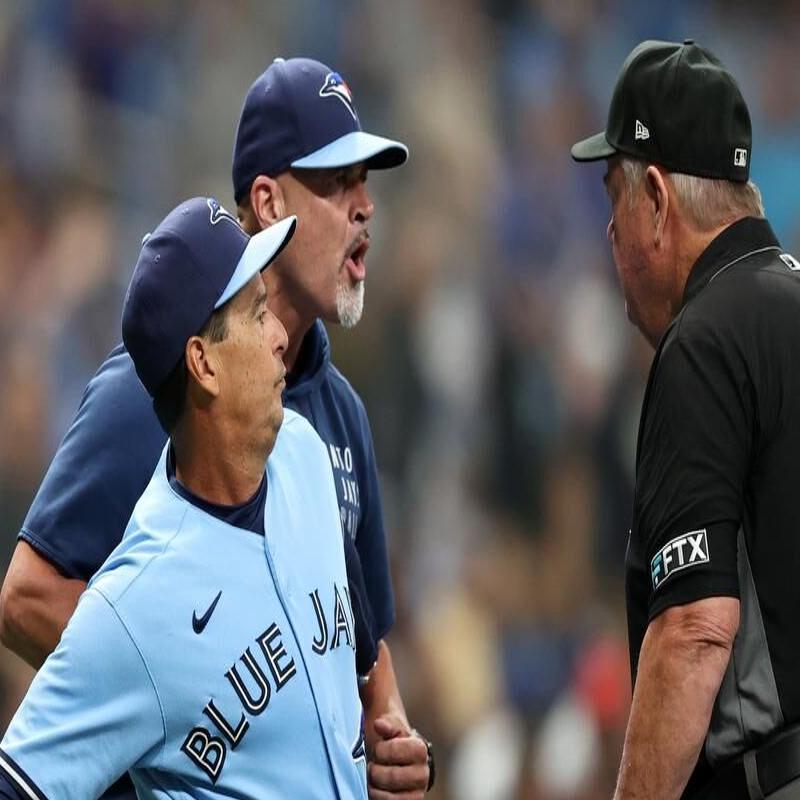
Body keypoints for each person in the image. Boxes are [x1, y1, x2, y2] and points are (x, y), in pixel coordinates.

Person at [0, 58, 433, 799]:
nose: (365, 207)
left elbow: (362, 652)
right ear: (267, 200)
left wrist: (389, 735)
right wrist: (183, 701)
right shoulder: (151, 391)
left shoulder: (328, 422)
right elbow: (27, 598)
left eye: (368, 184)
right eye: (337, 184)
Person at [571, 38, 800, 799]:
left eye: (615, 198)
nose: (610, 232)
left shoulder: (703, 344)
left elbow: (694, 629)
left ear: (660, 200)